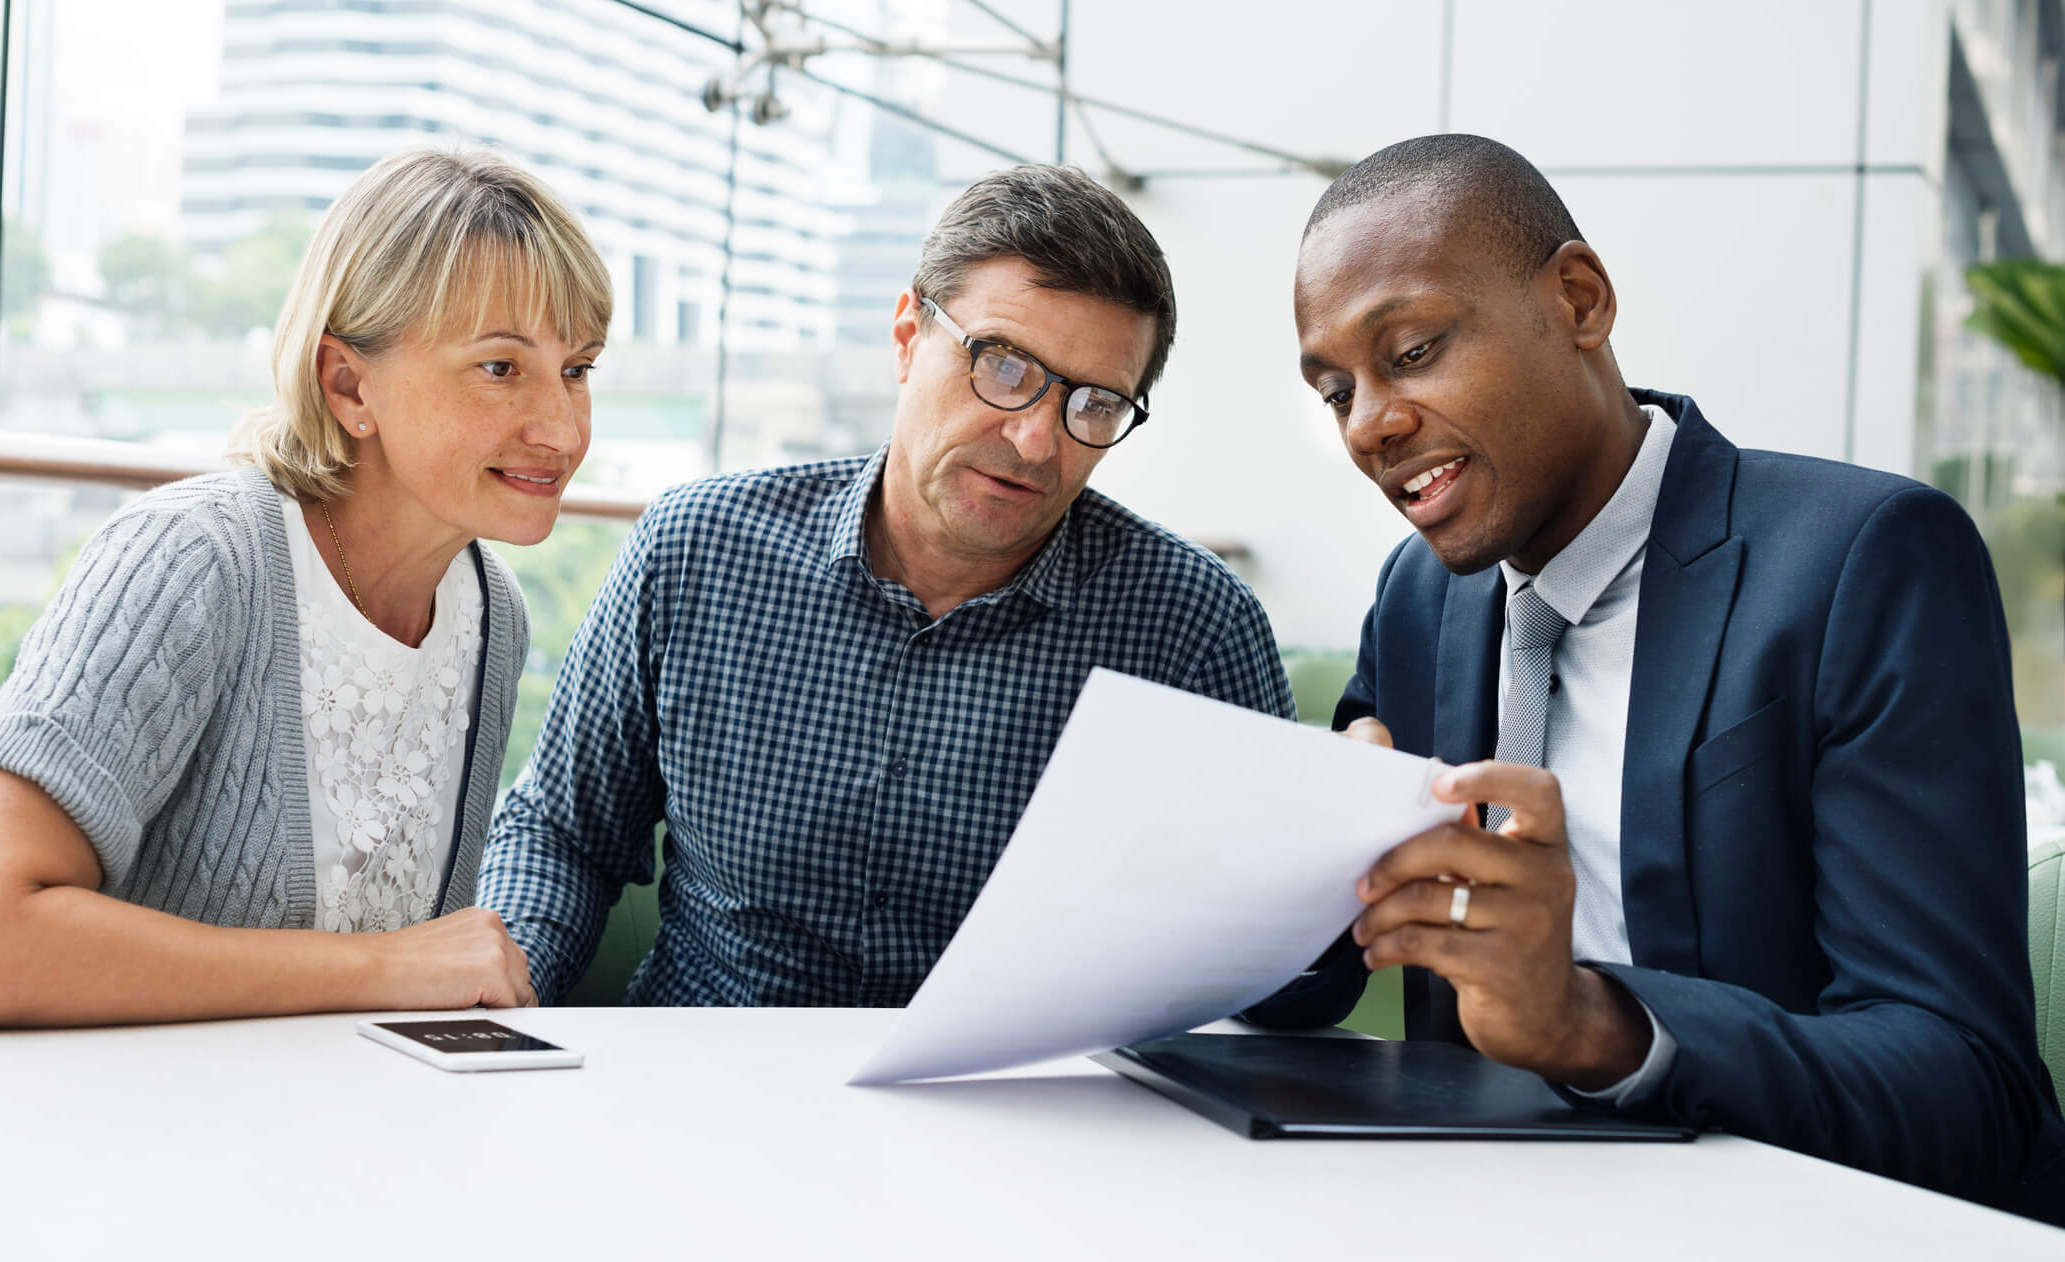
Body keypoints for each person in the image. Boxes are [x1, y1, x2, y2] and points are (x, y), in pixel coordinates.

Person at [1285, 132, 2065, 1221]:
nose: (1369, 423)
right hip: (1469, 1211)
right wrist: (1271, 864)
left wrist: (1591, 1022)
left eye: (1411, 350)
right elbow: (1318, 979)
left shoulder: (1865, 561)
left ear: (1578, 299)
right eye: (1333, 391)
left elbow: (1967, 1092)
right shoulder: (1418, 600)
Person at [479, 163, 1293, 1008]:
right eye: (1004, 367)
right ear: (909, 335)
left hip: (1020, 1118)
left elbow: (1278, 970)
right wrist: (500, 993)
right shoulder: (697, 549)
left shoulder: (1192, 625)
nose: (1035, 441)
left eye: (1092, 406)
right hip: (703, 1092)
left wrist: (1329, 876)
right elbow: (561, 835)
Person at [0, 148, 611, 1029]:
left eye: (577, 370)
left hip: (335, 1138)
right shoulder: (188, 563)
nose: (561, 429)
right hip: (118, 1139)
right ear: (347, 383)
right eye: (500, 368)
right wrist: (376, 968)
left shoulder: (490, 615)